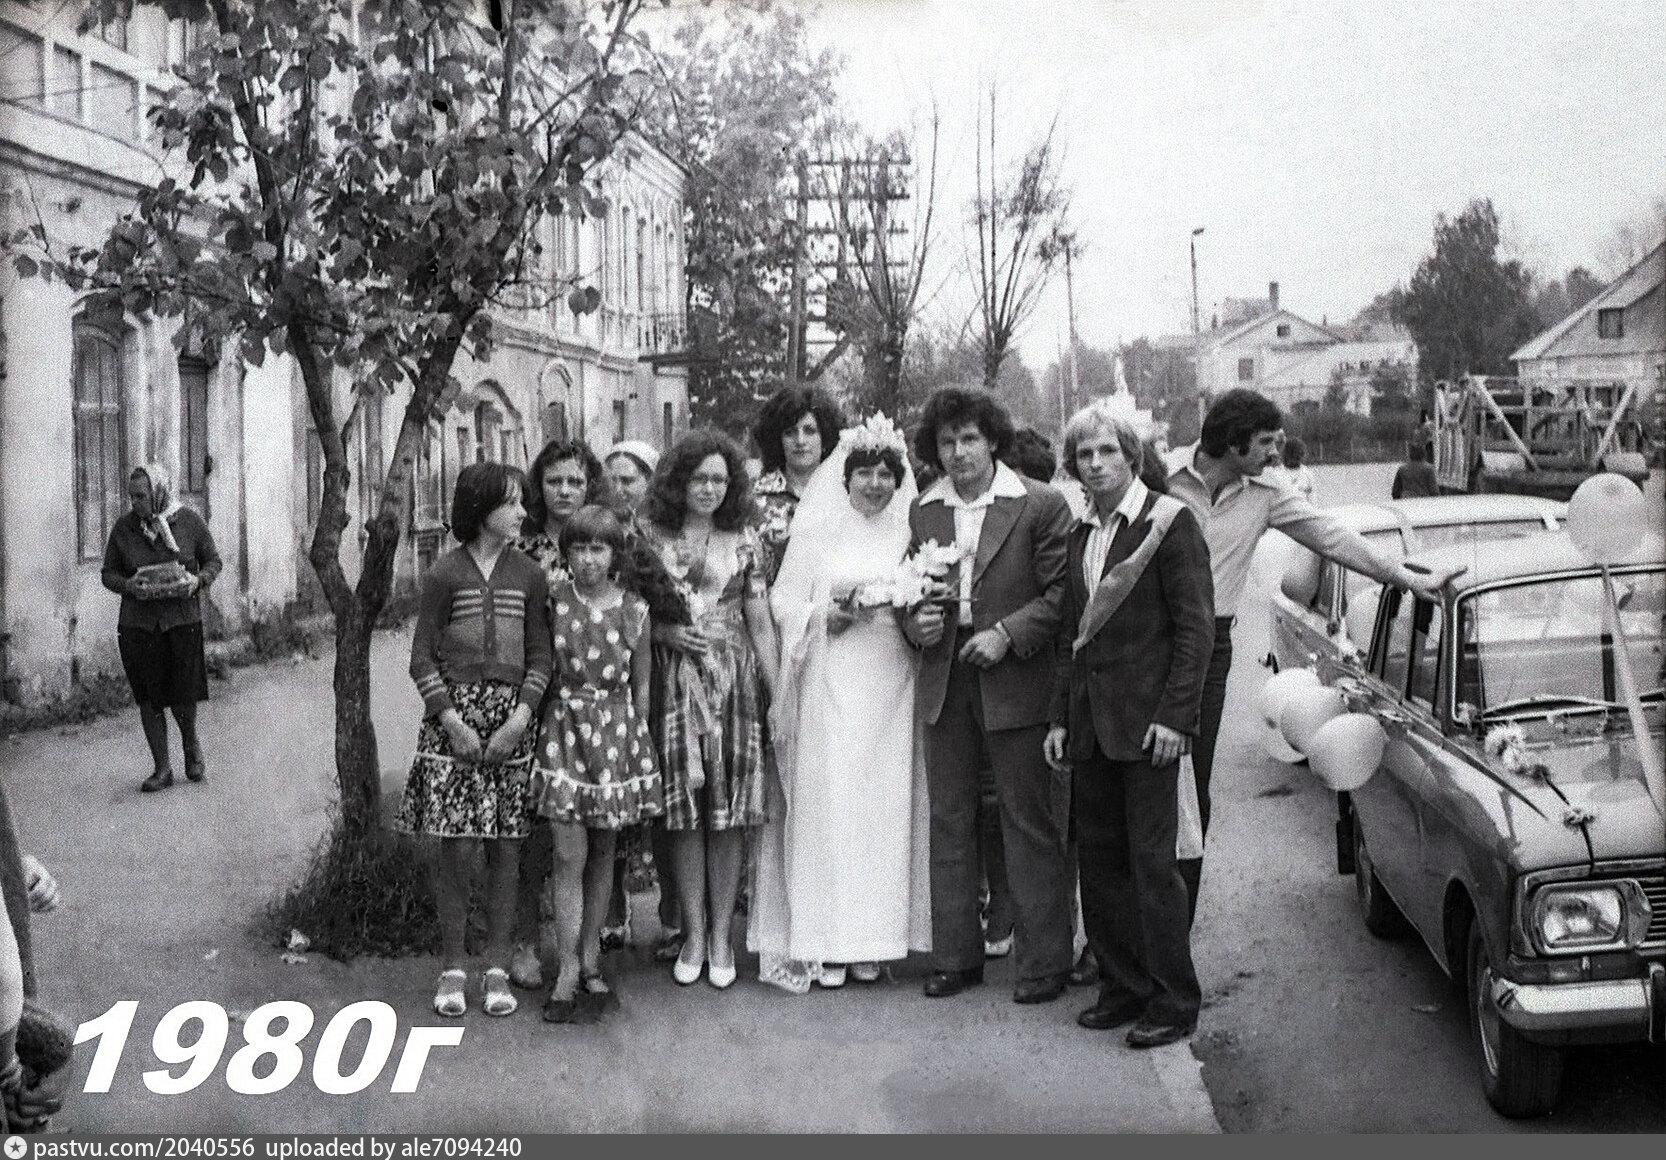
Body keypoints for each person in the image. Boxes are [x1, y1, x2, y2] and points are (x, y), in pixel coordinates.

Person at [1164, 389, 1465, 920]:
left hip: (1208, 647)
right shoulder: (1160, 478)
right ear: (1232, 444)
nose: (1274, 454)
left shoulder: (1268, 492)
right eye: (1264, 443)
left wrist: (1404, 577)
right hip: (1142, 641)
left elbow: (1332, 537)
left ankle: (1172, 929)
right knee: (1132, 782)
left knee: (1192, 788)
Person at [1044, 402, 1213, 1048]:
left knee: (1153, 868)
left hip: (1150, 731)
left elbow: (1195, 631)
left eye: (1106, 452)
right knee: (1102, 866)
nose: (1094, 464)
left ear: (1132, 457)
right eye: (1083, 455)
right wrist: (1060, 719)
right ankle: (1122, 988)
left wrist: (1176, 718)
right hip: (1091, 727)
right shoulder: (1080, 532)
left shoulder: (1169, 523)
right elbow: (1072, 637)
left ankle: (1173, 1001)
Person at [901, 388, 1075, 1003]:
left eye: (970, 439)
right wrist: (916, 623)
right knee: (950, 818)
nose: (958, 453)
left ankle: (1044, 962)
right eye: (947, 442)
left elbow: (1061, 595)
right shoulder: (925, 509)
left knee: (1027, 820)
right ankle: (956, 957)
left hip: (1016, 678)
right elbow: (907, 587)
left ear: (994, 440)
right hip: (946, 681)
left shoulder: (1039, 503)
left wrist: (1006, 634)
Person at [751, 414, 931, 992]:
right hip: (830, 679)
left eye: (885, 474)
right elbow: (782, 602)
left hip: (892, 680)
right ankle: (826, 941)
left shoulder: (909, 534)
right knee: (830, 805)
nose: (875, 484)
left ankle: (874, 941)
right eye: (864, 474)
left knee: (882, 809)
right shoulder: (818, 530)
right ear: (845, 478)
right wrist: (822, 616)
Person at [396, 462, 551, 1018]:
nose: (522, 512)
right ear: (481, 508)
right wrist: (451, 721)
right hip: (454, 727)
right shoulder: (445, 573)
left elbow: (541, 655)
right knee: (457, 848)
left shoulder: (529, 575)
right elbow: (421, 656)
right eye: (511, 503)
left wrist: (520, 720)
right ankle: (453, 966)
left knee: (507, 848)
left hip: (511, 726)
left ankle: (497, 967)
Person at [641, 432, 779, 989]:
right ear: (679, 481)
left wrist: (778, 696)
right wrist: (666, 632)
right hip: (675, 679)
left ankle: (722, 935)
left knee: (729, 811)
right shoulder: (650, 537)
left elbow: (759, 619)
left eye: (719, 478)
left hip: (734, 682)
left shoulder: (746, 538)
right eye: (699, 477)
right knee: (685, 810)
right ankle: (693, 934)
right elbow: (631, 614)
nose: (709, 488)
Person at [532, 505, 664, 1022]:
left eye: (598, 548)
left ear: (614, 554)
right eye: (579, 548)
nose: (588, 559)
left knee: (604, 853)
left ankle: (590, 958)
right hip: (565, 732)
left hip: (615, 737)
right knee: (569, 854)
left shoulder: (635, 610)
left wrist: (637, 748)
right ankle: (566, 964)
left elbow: (642, 685)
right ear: (566, 553)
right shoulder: (555, 601)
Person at [509, 438, 605, 990]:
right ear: (537, 486)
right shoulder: (521, 547)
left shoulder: (605, 540)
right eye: (554, 481)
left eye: (575, 481)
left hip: (591, 702)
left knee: (588, 827)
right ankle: (526, 939)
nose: (565, 491)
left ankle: (588, 943)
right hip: (534, 693)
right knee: (534, 827)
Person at [100, 464, 223, 792]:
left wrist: (198, 581)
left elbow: (213, 561)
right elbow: (108, 573)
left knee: (183, 694)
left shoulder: (189, 521)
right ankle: (162, 768)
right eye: (131, 497)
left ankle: (191, 745)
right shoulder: (124, 529)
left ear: (158, 492)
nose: (135, 503)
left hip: (182, 621)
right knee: (149, 699)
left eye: (141, 496)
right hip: (138, 626)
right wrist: (129, 586)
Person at [597, 440, 671, 956]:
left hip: (662, 671)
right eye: (614, 479)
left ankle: (671, 913)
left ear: (650, 482)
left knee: (660, 789)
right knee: (612, 789)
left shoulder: (662, 536)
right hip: (607, 672)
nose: (621, 488)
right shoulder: (598, 532)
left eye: (631, 479)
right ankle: (613, 911)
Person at [751, 385, 846, 582]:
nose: (800, 440)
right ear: (777, 440)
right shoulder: (754, 498)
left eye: (810, 431)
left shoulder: (845, 494)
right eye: (790, 432)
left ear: (825, 437)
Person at [1279, 436, 1316, 502]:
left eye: (1299, 456)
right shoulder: (1277, 472)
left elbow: (1312, 499)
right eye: (1294, 456)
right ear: (1286, 455)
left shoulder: (1307, 474)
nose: (1297, 459)